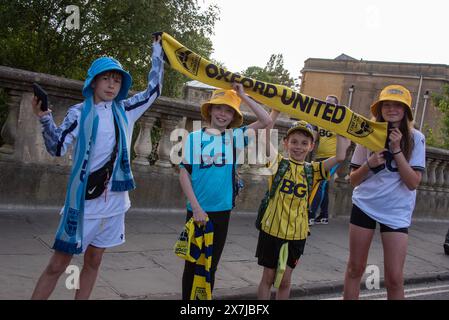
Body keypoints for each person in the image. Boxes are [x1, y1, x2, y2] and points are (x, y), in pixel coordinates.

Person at [30, 36, 164, 300]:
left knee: (94, 260)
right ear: (93, 81)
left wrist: (158, 50)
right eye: (106, 78)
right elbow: (56, 148)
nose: (112, 85)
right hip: (85, 203)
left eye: (117, 79)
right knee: (58, 265)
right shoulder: (78, 113)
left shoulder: (127, 109)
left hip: (115, 203)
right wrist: (45, 118)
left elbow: (154, 90)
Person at [179, 83, 272, 300]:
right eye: (219, 108)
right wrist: (197, 208)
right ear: (210, 110)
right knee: (191, 264)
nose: (223, 113)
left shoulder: (235, 137)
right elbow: (184, 174)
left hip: (221, 212)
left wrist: (243, 95)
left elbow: (266, 120)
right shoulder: (194, 138)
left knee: (210, 265)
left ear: (234, 117)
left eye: (229, 110)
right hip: (197, 212)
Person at [256, 110, 350, 300]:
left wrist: (341, 125)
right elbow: (264, 138)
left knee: (285, 281)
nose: (298, 147)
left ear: (311, 146)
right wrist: (275, 110)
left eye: (304, 143)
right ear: (286, 143)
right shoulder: (278, 163)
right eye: (294, 142)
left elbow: (340, 156)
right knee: (268, 277)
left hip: (297, 233)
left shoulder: (314, 170)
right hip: (271, 229)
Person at [343, 84, 426, 300]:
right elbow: (353, 180)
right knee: (355, 268)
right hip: (365, 205)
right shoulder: (367, 134)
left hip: (396, 211)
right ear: (379, 109)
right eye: (386, 105)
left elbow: (413, 183)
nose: (391, 109)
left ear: (406, 110)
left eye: (397, 105)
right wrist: (369, 164)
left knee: (394, 278)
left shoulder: (416, 138)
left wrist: (397, 150)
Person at [309, 95, 340, 225]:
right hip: (320, 157)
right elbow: (314, 138)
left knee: (319, 184)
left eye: (331, 103)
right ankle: (324, 215)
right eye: (326, 103)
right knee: (324, 186)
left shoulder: (339, 122)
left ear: (336, 106)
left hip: (333, 158)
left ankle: (310, 215)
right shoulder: (320, 120)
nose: (328, 105)